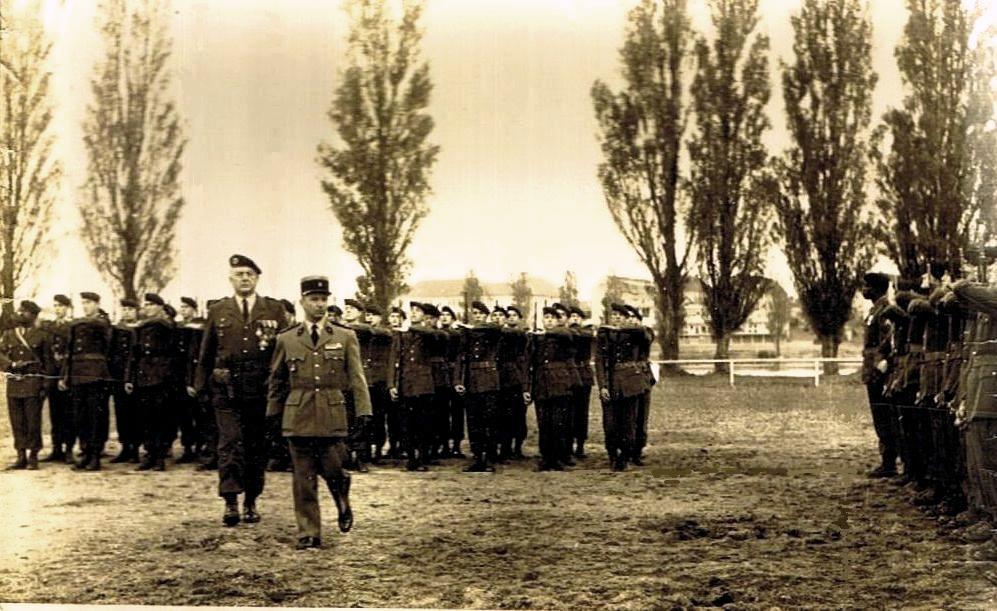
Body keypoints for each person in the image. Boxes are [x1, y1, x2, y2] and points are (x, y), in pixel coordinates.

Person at [267, 275, 371, 550]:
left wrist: (364, 411)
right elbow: (277, 381)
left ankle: (341, 492)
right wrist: (272, 415)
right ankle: (308, 532)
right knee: (303, 479)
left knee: (333, 468)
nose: (319, 305)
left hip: (331, 413)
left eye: (324, 299)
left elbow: (357, 377)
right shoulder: (287, 339)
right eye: (314, 299)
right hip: (297, 415)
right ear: (302, 302)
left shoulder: (345, 336)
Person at [191, 254, 285, 526]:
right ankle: (231, 501)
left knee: (256, 447)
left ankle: (251, 501)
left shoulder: (273, 309)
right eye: (239, 274)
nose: (244, 278)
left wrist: (280, 388)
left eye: (249, 274)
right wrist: (201, 388)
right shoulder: (219, 310)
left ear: (257, 279)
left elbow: (282, 353)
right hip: (226, 389)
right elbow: (206, 352)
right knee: (230, 444)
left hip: (261, 390)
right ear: (231, 279)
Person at [59, 292, 112, 471]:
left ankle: (95, 455)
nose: (86, 306)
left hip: (96, 375)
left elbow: (108, 348)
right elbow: (70, 352)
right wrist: (65, 376)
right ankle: (86, 452)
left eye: (89, 303)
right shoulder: (77, 324)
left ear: (97, 304)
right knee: (80, 417)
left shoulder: (101, 323)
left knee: (95, 416)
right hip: (77, 375)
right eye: (83, 303)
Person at [125, 294, 177, 471]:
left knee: (161, 417)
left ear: (160, 307)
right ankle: (149, 454)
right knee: (145, 418)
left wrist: (168, 375)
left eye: (151, 305)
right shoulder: (140, 329)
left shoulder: (166, 327)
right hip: (142, 377)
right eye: (146, 305)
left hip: (161, 377)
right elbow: (134, 355)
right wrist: (129, 378)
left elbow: (173, 354)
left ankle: (160, 456)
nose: (147, 308)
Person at [0, 301, 54, 470]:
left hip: (33, 382)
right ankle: (20, 455)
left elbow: (48, 362)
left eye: (24, 312)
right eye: (20, 311)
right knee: (17, 421)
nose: (20, 314)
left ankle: (33, 456)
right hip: (15, 382)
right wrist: (11, 365)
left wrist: (45, 385)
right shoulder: (9, 334)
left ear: (33, 316)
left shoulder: (42, 336)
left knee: (32, 421)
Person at [595, 303, 645, 471]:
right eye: (613, 315)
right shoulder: (604, 335)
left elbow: (644, 334)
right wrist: (602, 386)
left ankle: (624, 456)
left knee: (628, 423)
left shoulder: (634, 334)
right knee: (610, 424)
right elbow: (600, 362)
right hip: (610, 383)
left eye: (620, 315)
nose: (616, 318)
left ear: (626, 318)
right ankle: (612, 454)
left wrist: (622, 328)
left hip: (630, 383)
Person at [527, 306, 577, 471]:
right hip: (541, 384)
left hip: (560, 384)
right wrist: (528, 388)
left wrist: (545, 333)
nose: (548, 320)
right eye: (546, 317)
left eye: (552, 318)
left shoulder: (562, 335)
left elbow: (567, 335)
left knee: (558, 423)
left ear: (557, 321)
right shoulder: (536, 339)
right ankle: (545, 458)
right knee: (544, 424)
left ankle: (557, 458)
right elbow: (529, 363)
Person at [387, 302, 436, 471]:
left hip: (423, 385)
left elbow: (435, 335)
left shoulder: (427, 333)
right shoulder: (401, 335)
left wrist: (410, 329)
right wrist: (392, 384)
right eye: (412, 311)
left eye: (418, 311)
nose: (414, 313)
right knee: (406, 423)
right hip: (405, 384)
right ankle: (411, 458)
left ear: (425, 315)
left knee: (423, 423)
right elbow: (394, 359)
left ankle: (422, 457)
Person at [860, 272, 900, 478]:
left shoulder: (885, 310)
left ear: (875, 289)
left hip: (880, 371)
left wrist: (881, 365)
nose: (863, 290)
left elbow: (888, 342)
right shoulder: (874, 310)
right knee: (879, 416)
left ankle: (889, 462)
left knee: (885, 416)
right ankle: (887, 460)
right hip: (872, 370)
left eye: (866, 286)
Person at [458, 301, 503, 472]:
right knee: (473, 421)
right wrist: (459, 381)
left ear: (486, 316)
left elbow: (495, 328)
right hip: (472, 381)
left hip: (489, 380)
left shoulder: (490, 331)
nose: (477, 317)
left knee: (489, 420)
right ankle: (477, 457)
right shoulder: (468, 335)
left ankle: (489, 457)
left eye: (480, 314)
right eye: (475, 314)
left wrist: (472, 328)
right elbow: (461, 357)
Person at [41, 294, 73, 462]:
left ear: (67, 307)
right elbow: (47, 352)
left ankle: (68, 450)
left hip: (67, 375)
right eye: (55, 306)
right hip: (53, 374)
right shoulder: (50, 327)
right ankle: (56, 449)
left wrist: (65, 375)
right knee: (55, 413)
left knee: (68, 413)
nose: (58, 309)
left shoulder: (72, 326)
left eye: (61, 306)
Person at [109, 299, 140, 463]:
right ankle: (125, 447)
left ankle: (135, 448)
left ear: (136, 311)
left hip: (136, 377)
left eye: (130, 309)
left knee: (135, 413)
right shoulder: (116, 330)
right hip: (119, 376)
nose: (127, 312)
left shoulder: (141, 329)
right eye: (124, 309)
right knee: (121, 413)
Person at [499, 305, 529, 460]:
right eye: (508, 315)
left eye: (514, 315)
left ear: (520, 318)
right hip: (502, 380)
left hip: (517, 379)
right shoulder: (500, 334)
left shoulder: (522, 335)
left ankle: (517, 447)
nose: (511, 317)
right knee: (504, 416)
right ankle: (505, 447)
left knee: (518, 416)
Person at [568, 306, 595, 460]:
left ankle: (580, 445)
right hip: (570, 376)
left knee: (581, 412)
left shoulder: (586, 332)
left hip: (583, 376)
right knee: (569, 412)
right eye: (572, 316)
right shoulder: (565, 333)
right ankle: (569, 444)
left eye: (578, 316)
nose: (575, 319)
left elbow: (586, 336)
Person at [439, 306, 466, 457]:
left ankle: (456, 445)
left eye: (447, 315)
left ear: (453, 319)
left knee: (457, 412)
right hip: (441, 377)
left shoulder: (457, 335)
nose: (444, 318)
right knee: (442, 412)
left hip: (454, 374)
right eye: (442, 315)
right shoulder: (436, 334)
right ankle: (444, 445)